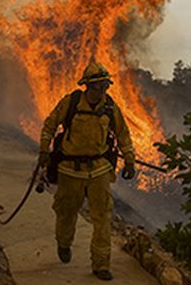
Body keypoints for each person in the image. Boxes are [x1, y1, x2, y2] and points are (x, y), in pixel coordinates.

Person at [38, 59, 136, 281]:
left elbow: (123, 135)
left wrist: (130, 160)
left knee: (102, 217)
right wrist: (44, 150)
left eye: (105, 86)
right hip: (70, 170)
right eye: (98, 86)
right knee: (66, 213)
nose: (102, 90)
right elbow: (50, 124)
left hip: (99, 170)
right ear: (87, 86)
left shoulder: (110, 107)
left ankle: (101, 264)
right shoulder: (71, 102)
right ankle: (64, 244)